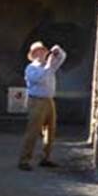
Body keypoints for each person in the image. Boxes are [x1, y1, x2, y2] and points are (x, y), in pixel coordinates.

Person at [18, 41, 67, 171]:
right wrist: (48, 66)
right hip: (36, 101)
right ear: (33, 55)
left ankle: (45, 157)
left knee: (50, 131)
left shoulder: (49, 66)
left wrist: (57, 49)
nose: (41, 53)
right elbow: (38, 79)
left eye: (43, 51)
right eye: (38, 51)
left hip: (49, 100)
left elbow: (62, 57)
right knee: (33, 131)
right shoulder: (31, 68)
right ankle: (24, 160)